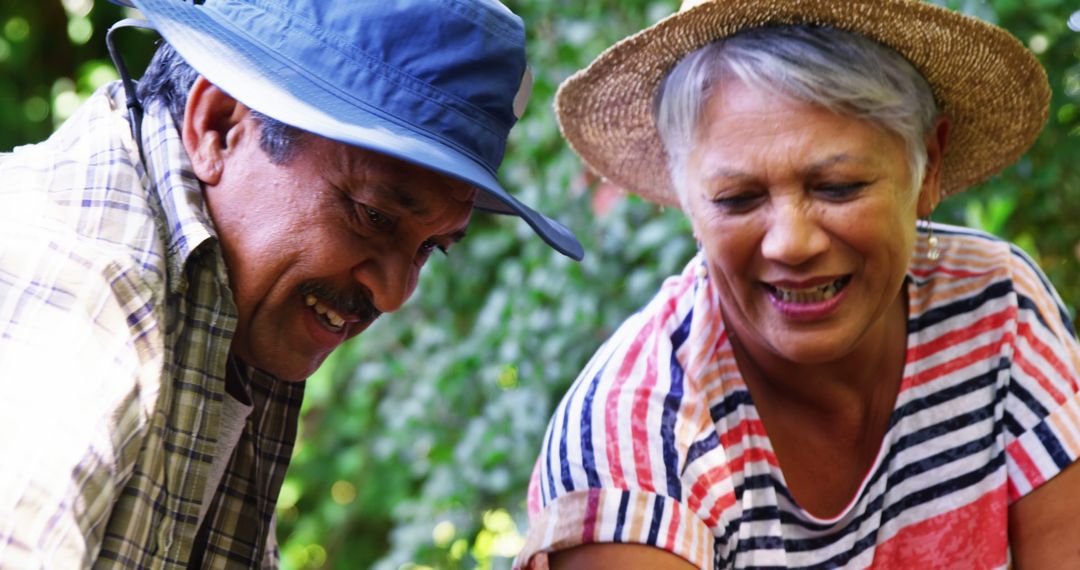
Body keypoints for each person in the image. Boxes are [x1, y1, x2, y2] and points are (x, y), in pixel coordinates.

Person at [0, 0, 582, 567]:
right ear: (220, 126)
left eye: (430, 247)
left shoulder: (232, 309)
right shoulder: (69, 291)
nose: (395, 295)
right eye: (374, 216)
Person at [516, 0, 1080, 568]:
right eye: (738, 199)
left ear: (927, 166)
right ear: (687, 198)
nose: (790, 243)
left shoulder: (996, 307)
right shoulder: (630, 438)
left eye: (838, 186)